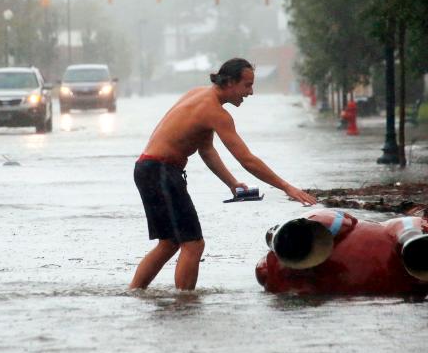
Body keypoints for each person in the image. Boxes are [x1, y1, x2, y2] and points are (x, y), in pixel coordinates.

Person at [130, 57, 317, 291]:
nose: (250, 93)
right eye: (247, 85)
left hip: (147, 168)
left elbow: (206, 149)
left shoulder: (198, 94)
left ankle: (134, 292)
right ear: (229, 82)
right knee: (193, 244)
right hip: (161, 171)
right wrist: (287, 187)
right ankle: (185, 304)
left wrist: (232, 183)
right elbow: (247, 160)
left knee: (169, 243)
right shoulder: (216, 113)